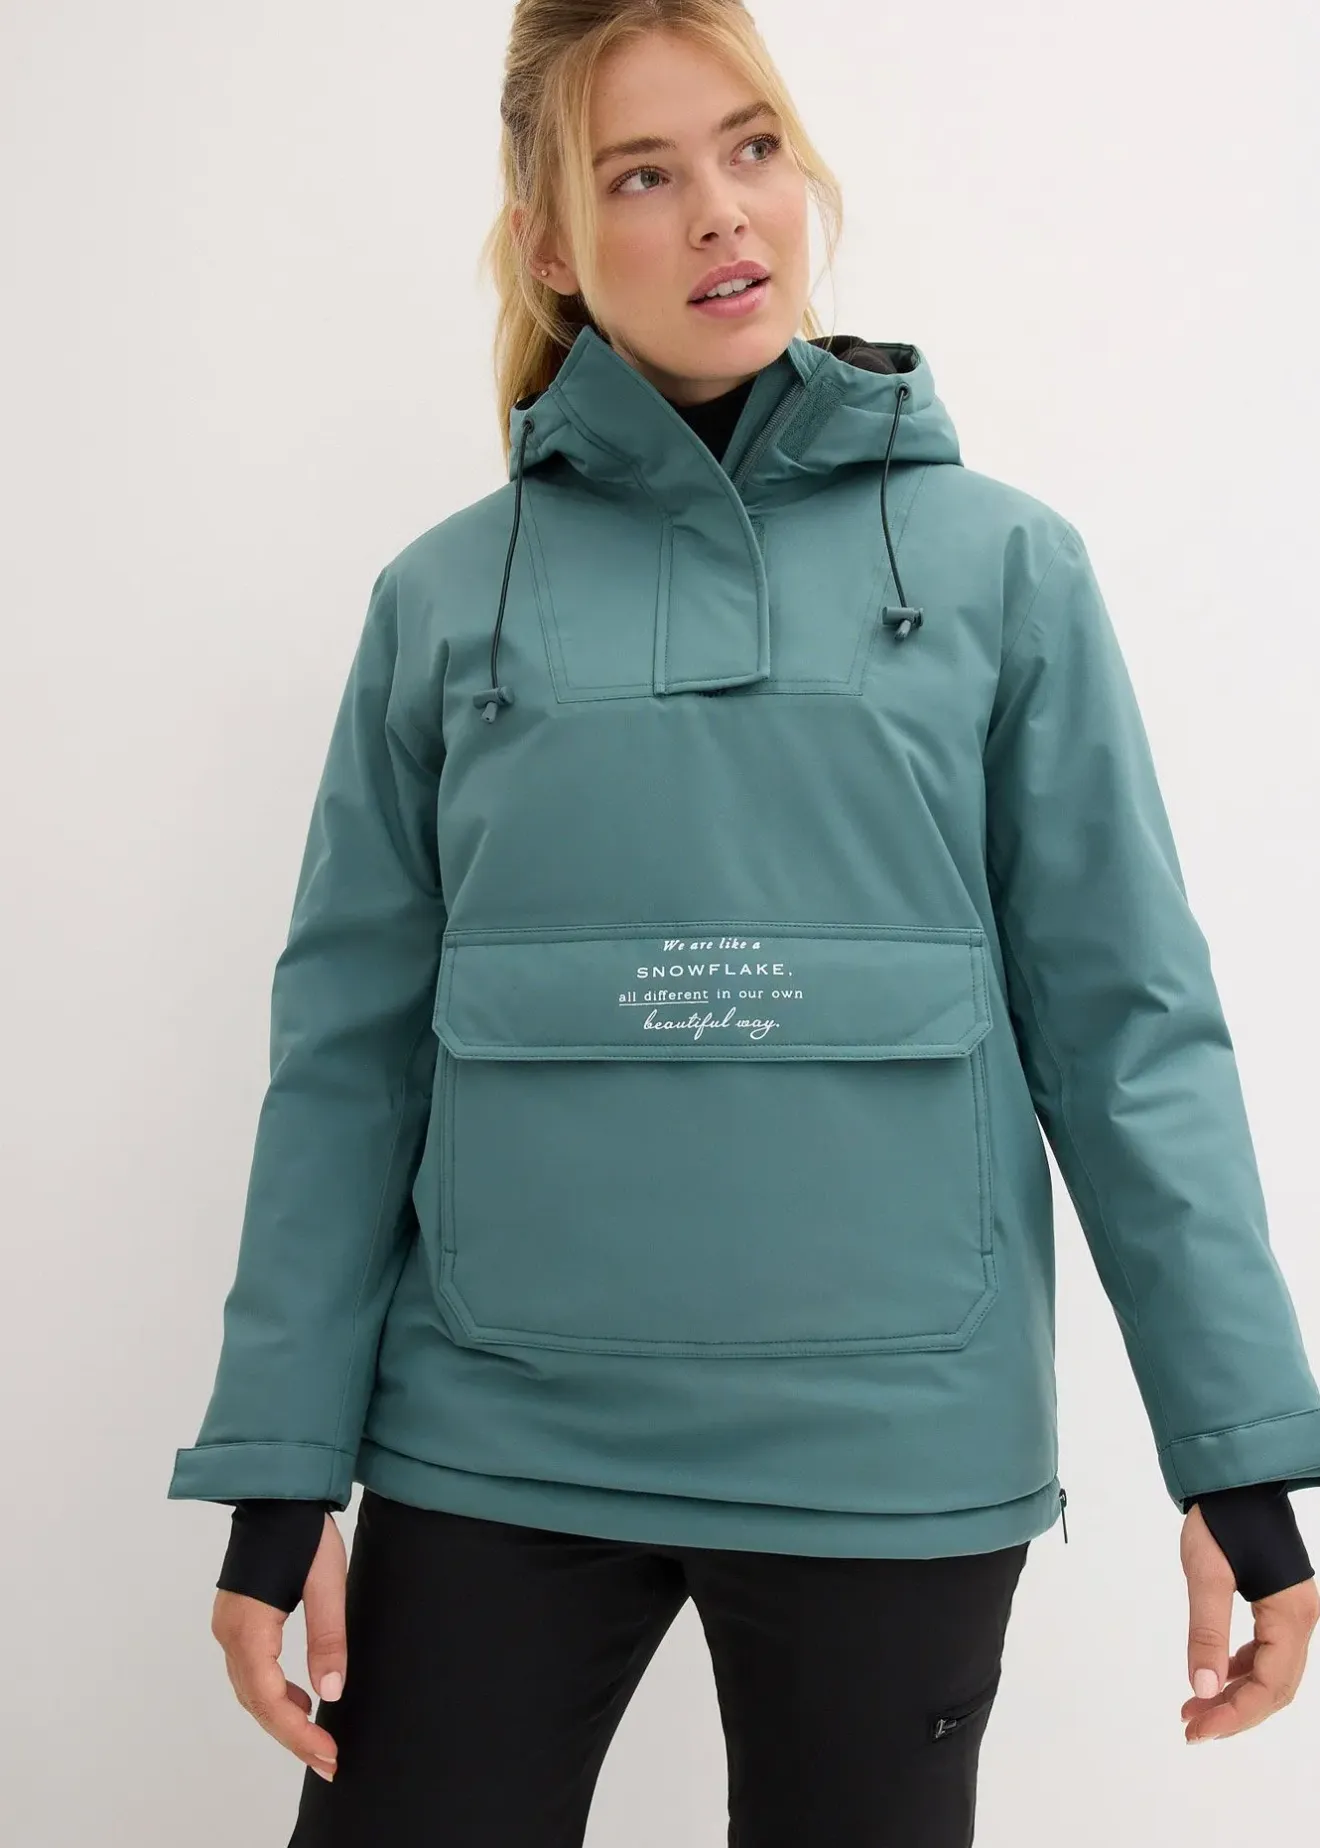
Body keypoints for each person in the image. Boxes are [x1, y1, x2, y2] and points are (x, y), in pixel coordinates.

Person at [168, 2, 1320, 1840]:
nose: (722, 210)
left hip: (895, 1456)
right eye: (643, 174)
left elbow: (1129, 1034)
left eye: (752, 146)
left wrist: (1240, 1458)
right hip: (495, 1443)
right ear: (553, 243)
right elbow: (348, 1066)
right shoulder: (444, 601)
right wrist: (277, 1470)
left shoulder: (1005, 569)